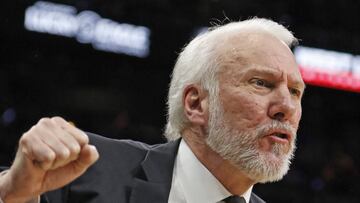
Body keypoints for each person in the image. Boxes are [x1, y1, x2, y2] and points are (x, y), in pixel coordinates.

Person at [0, 17, 305, 203]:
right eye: (261, 83)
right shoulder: (85, 170)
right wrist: (14, 191)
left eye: (295, 91)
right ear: (196, 103)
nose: (287, 107)